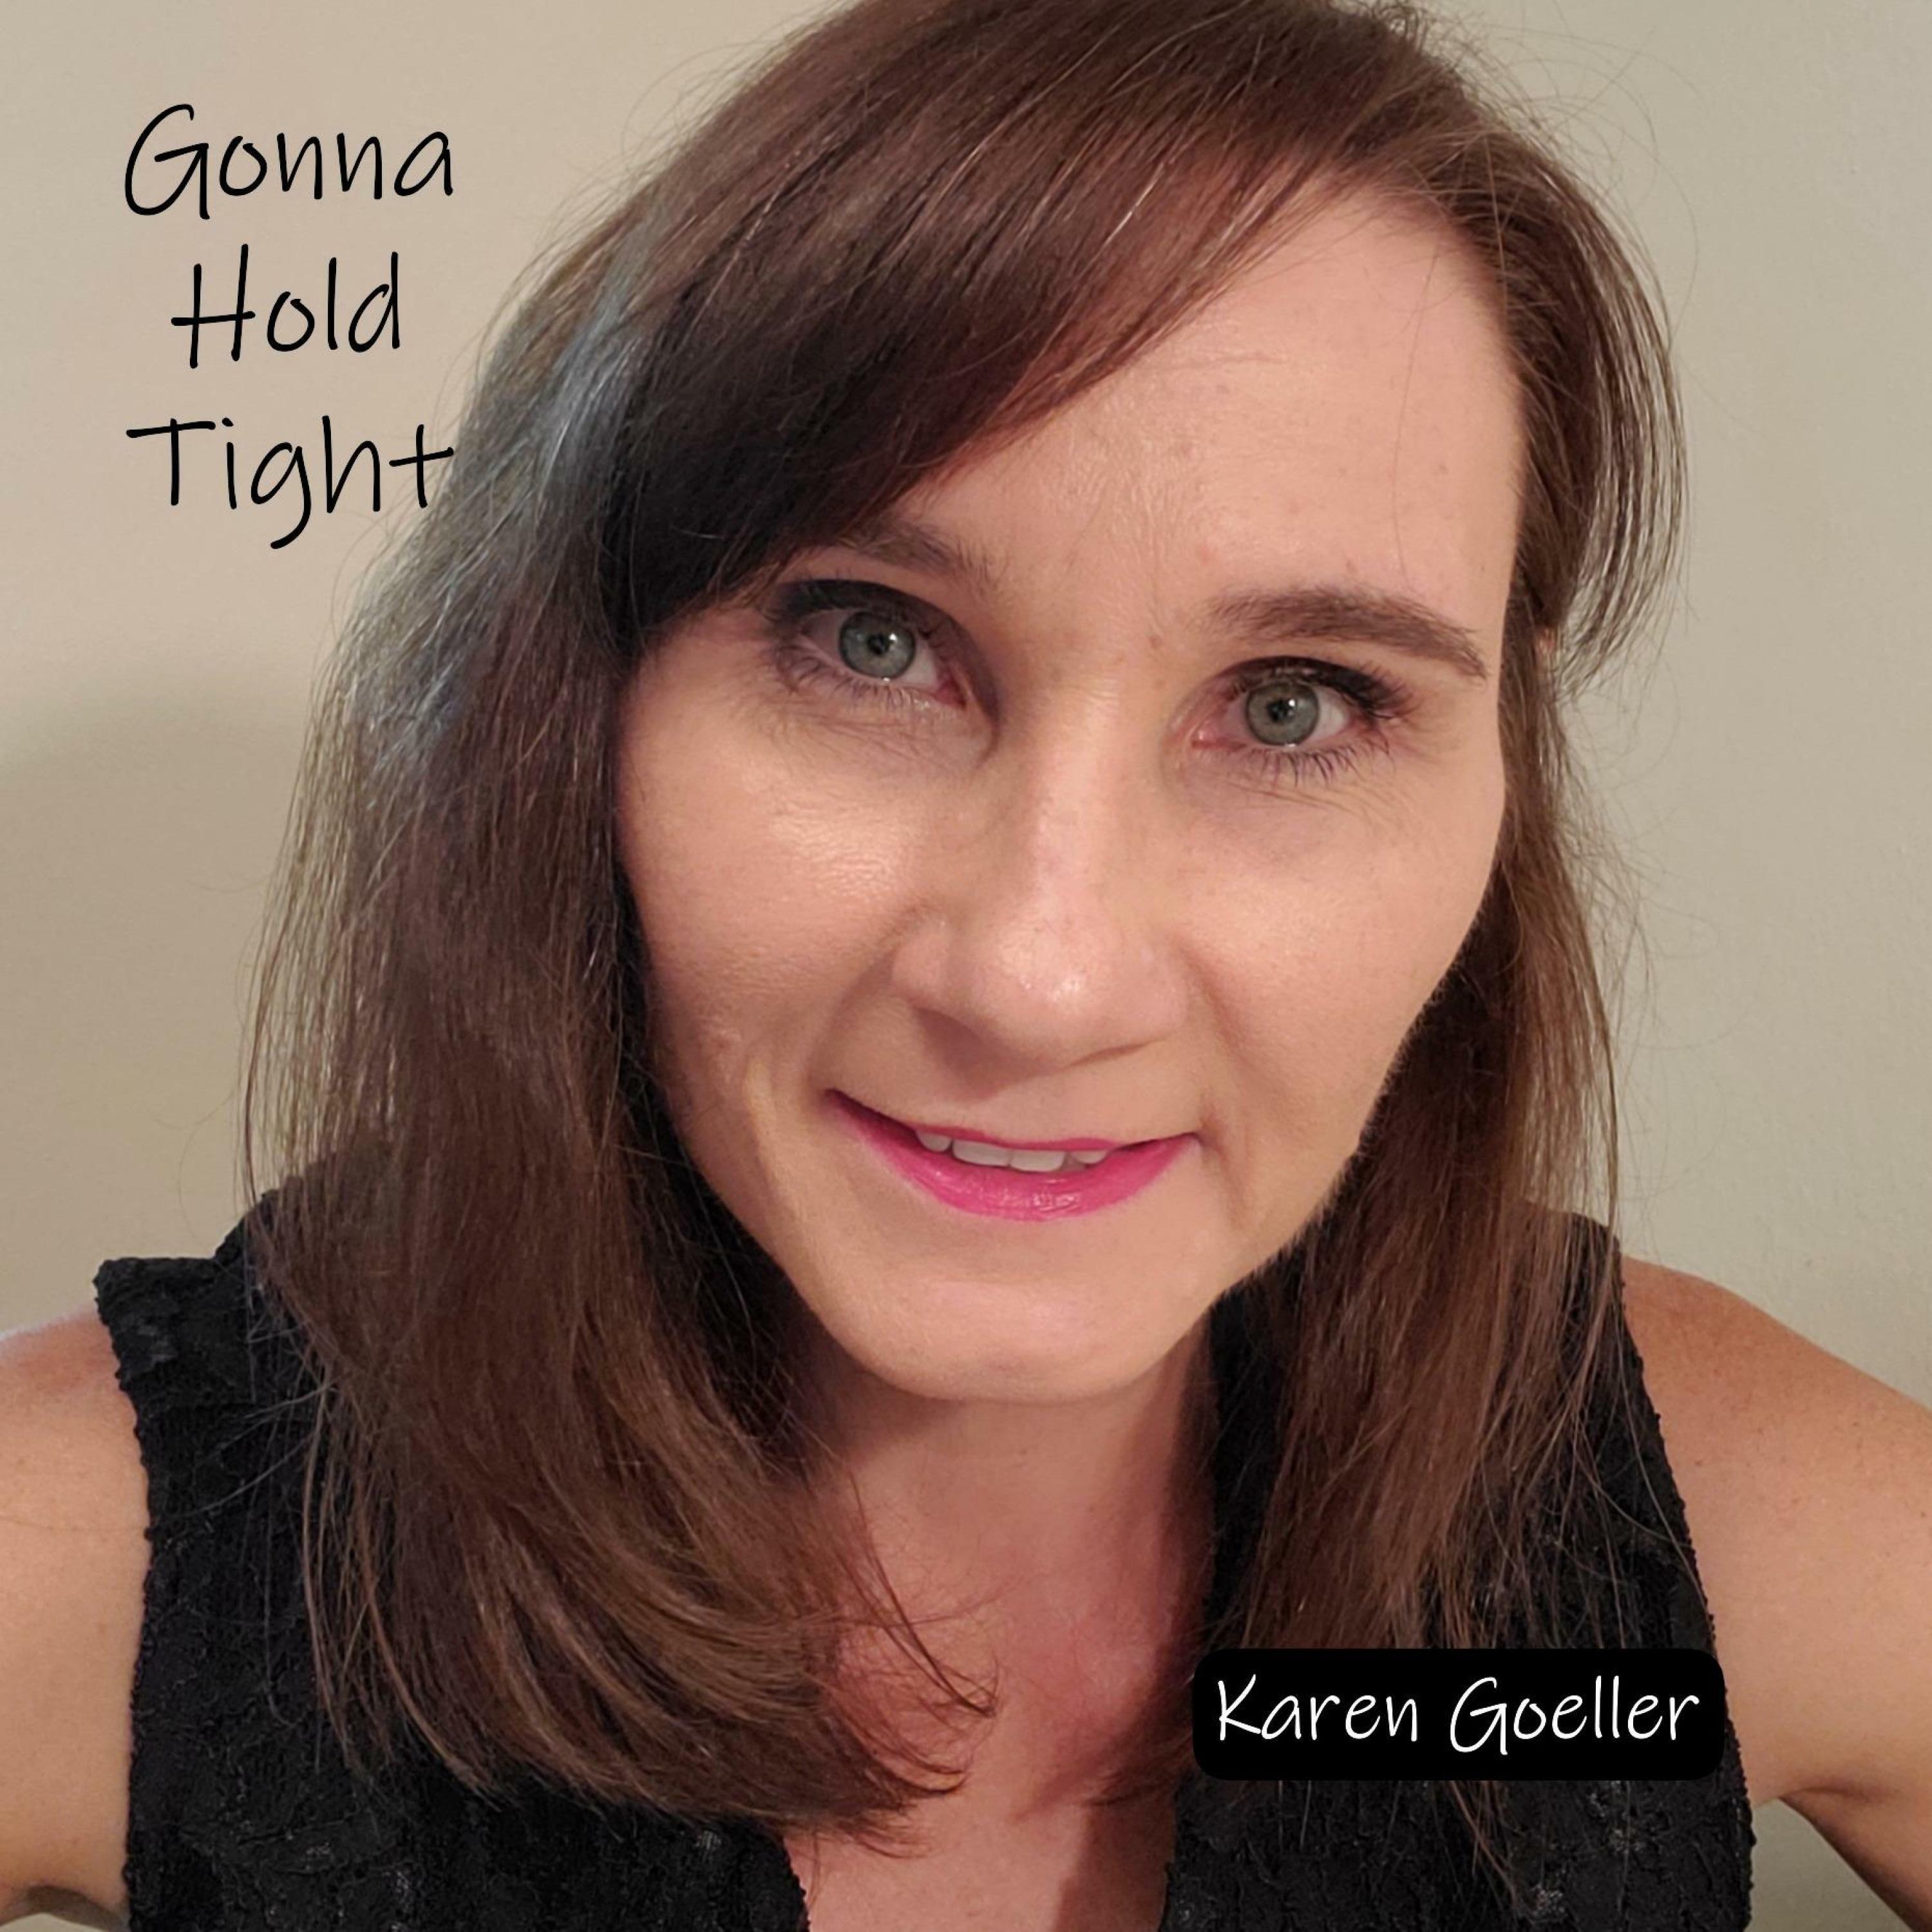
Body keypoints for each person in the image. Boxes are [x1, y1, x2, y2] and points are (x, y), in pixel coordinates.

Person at [3, 0, 1929, 1926]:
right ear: (576, 707)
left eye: (1294, 704)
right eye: (873, 642)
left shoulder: (1675, 1535)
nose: (1043, 981)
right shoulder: (119, 1573)